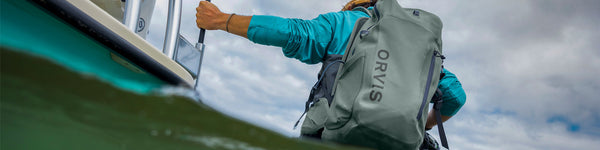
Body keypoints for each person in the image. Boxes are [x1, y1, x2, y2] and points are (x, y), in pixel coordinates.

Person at [196, 0, 465, 144]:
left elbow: (290, 32)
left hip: (332, 137)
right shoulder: (416, 47)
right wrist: (423, 124)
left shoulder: (345, 22)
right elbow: (456, 96)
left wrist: (221, 20)